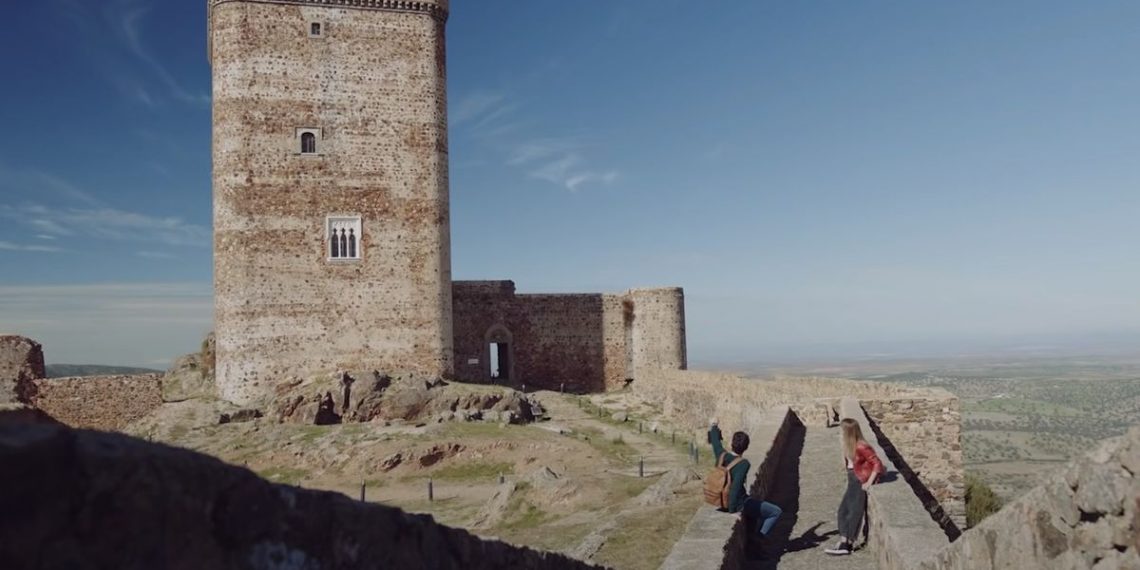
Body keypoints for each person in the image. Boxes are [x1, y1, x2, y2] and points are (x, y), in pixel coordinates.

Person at [708, 419, 783, 548]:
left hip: (719, 500)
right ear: (746, 447)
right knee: (775, 512)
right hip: (738, 504)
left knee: (754, 514)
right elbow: (736, 486)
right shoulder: (743, 464)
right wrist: (732, 511)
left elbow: (715, 441)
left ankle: (752, 541)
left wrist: (714, 425)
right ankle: (759, 540)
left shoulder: (721, 455)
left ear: (732, 444)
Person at [824, 418, 884, 555]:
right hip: (852, 478)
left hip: (859, 480)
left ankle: (847, 544)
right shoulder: (849, 445)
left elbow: (877, 464)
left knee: (853, 512)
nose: (840, 432)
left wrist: (869, 482)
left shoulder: (861, 446)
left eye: (842, 430)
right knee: (843, 511)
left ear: (848, 432)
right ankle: (844, 541)